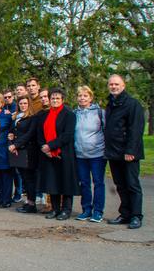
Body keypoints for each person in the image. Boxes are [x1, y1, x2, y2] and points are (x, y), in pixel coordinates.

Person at [104, 75, 145, 229]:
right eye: (111, 84)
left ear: (123, 85)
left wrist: (130, 151)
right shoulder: (111, 104)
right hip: (114, 153)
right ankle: (125, 213)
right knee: (120, 185)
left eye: (116, 84)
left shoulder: (132, 104)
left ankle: (136, 215)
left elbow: (136, 130)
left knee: (132, 185)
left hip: (128, 153)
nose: (113, 86)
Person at [37, 88, 80, 220]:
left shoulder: (69, 115)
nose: (55, 100)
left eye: (57, 98)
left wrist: (51, 146)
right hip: (48, 155)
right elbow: (39, 133)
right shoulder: (44, 114)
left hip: (64, 153)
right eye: (53, 98)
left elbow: (67, 135)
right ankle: (55, 209)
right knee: (52, 183)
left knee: (65, 183)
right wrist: (44, 147)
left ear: (62, 100)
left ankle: (66, 210)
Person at [74, 86, 106, 222]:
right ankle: (86, 209)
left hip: (97, 154)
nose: (82, 98)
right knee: (84, 183)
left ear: (90, 98)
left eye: (85, 96)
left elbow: (106, 130)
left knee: (98, 183)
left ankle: (98, 211)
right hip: (80, 155)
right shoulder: (74, 113)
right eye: (80, 96)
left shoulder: (99, 112)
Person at [9, 96, 39, 214]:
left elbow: (30, 134)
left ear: (29, 104)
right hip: (18, 151)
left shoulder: (32, 117)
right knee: (24, 178)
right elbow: (12, 132)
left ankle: (32, 204)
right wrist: (11, 141)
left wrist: (16, 144)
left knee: (29, 178)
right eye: (21, 103)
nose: (23, 105)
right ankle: (28, 202)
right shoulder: (16, 117)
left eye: (25, 103)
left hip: (28, 151)